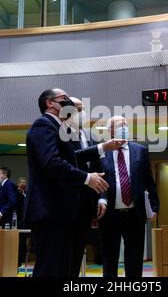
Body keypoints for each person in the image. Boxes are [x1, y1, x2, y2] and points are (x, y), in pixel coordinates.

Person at [24, 88, 125, 277]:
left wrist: (103, 146)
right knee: (50, 269)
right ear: (50, 103)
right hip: (49, 210)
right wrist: (87, 178)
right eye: (65, 98)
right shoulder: (43, 125)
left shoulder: (58, 127)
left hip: (60, 211)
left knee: (64, 268)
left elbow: (74, 156)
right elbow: (51, 163)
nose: (69, 102)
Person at [99, 116, 160, 277]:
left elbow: (148, 180)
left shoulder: (140, 150)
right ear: (110, 130)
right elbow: (97, 182)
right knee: (109, 258)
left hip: (135, 213)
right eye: (121, 124)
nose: (125, 127)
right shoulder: (101, 151)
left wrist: (154, 206)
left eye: (126, 124)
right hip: (110, 214)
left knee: (134, 258)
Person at [67, 97, 106, 277]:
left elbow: (97, 169)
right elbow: (70, 161)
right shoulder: (63, 134)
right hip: (67, 204)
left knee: (75, 257)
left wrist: (100, 197)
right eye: (78, 108)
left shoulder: (89, 135)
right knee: (63, 260)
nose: (82, 113)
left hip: (85, 206)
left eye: (83, 109)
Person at [16, 177, 27, 267]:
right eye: (22, 182)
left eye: (25, 182)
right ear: (18, 184)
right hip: (18, 220)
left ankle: (22, 258)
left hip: (26, 220)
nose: (24, 184)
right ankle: (17, 260)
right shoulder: (16, 193)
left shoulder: (26, 193)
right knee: (18, 241)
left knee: (24, 240)